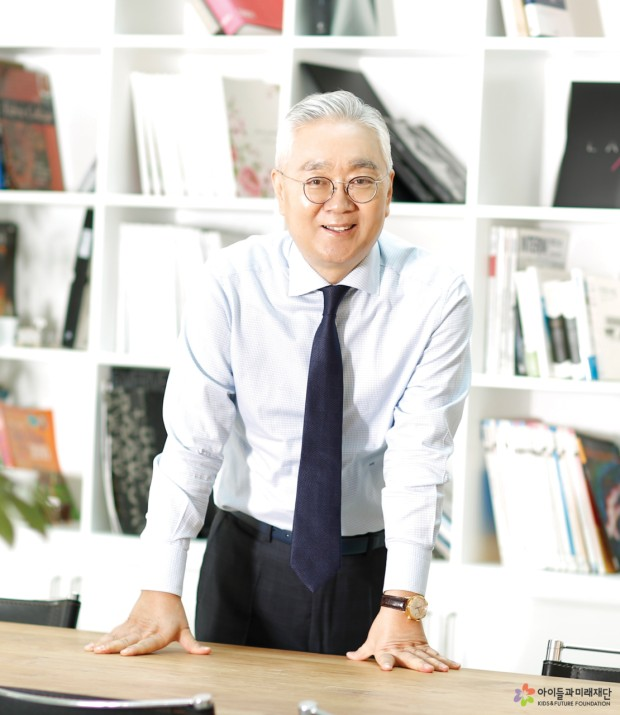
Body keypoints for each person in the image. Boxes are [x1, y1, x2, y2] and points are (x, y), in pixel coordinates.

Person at [86, 89, 472, 673]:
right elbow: (193, 444)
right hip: (246, 559)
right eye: (316, 180)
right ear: (280, 189)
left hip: (373, 572)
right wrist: (160, 585)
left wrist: (403, 600)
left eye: (361, 181)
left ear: (389, 190)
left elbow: (421, 456)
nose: (338, 203)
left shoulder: (436, 295)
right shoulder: (231, 283)